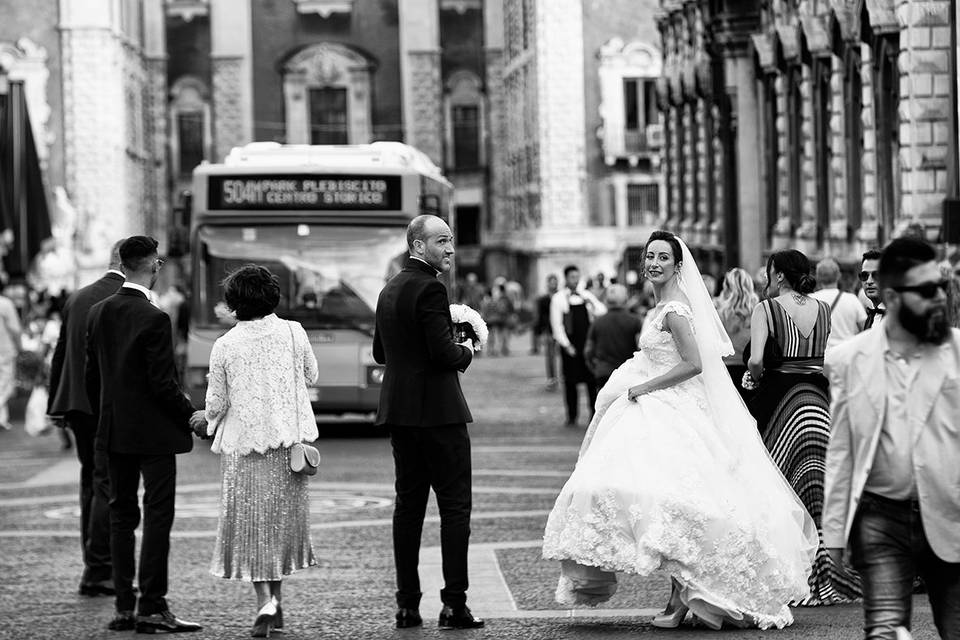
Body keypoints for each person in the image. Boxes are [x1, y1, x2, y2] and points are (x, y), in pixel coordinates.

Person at [543, 230, 819, 630]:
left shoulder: (676, 309)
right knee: (657, 497)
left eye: (662, 258)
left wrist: (643, 386)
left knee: (679, 500)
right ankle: (677, 594)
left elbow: (694, 364)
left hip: (670, 404)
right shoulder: (661, 306)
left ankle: (681, 597)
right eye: (649, 257)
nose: (653, 263)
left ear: (677, 265)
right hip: (653, 403)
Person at [824, 237, 960, 640]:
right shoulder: (849, 359)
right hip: (880, 515)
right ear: (891, 296)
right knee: (884, 630)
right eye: (924, 290)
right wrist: (833, 533)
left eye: (940, 287)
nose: (937, 298)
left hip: (951, 512)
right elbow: (841, 449)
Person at [85, 236, 204, 633]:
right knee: (157, 517)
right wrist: (191, 416)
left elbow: (92, 378)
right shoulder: (153, 318)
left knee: (121, 516)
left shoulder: (98, 311)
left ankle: (123, 606)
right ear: (152, 266)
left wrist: (106, 416)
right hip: (153, 435)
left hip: (114, 430)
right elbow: (162, 383)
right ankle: (151, 605)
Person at [373, 214, 483, 631]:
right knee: (455, 509)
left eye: (452, 240)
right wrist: (468, 347)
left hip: (400, 413)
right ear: (418, 246)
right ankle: (454, 604)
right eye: (442, 241)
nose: (450, 248)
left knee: (408, 508)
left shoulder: (389, 288)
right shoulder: (431, 287)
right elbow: (444, 354)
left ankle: (406, 605)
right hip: (438, 413)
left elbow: (382, 353)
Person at [204, 265, 319, 638]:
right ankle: (279, 606)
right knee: (280, 525)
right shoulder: (293, 331)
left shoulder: (225, 345)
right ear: (273, 297)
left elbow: (216, 404)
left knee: (251, 527)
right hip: (289, 448)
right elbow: (310, 376)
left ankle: (264, 603)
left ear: (234, 303)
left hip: (244, 448)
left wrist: (201, 420)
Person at [746, 249, 861, 605]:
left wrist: (754, 378)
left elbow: (755, 360)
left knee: (781, 488)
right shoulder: (823, 309)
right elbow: (819, 358)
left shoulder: (766, 309)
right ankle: (830, 572)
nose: (767, 279)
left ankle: (794, 571)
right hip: (817, 399)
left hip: (781, 401)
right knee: (818, 489)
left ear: (779, 275)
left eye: (769, 273)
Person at [47, 239, 125, 596]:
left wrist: (56, 404)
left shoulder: (78, 297)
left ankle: (93, 562)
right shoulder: (129, 299)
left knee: (89, 482)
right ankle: (99, 568)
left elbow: (62, 352)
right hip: (107, 406)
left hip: (76, 404)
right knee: (105, 483)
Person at [550, 265, 606, 426]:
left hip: (588, 344)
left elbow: (602, 311)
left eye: (577, 277)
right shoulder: (559, 298)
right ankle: (572, 415)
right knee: (570, 382)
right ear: (566, 278)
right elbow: (557, 325)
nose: (575, 280)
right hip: (570, 345)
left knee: (591, 381)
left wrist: (591, 303)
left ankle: (593, 414)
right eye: (572, 277)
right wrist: (566, 345)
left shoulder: (586, 295)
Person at [583, 284, 642, 389]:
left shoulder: (597, 322)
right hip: (627, 373)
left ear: (606, 301)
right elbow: (640, 348)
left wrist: (595, 368)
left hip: (603, 373)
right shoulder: (635, 321)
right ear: (625, 300)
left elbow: (588, 351)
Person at [715, 267, 759, 400]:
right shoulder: (758, 312)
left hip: (722, 373)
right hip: (748, 374)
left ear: (726, 287)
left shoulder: (716, 312)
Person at [811, 258, 867, 352]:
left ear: (817, 277)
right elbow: (866, 329)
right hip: (847, 354)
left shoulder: (810, 300)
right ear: (839, 276)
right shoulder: (852, 299)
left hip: (821, 356)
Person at [0, 281, 22, 430]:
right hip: (4, 348)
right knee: (6, 384)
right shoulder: (5, 304)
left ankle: (2, 419)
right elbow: (15, 329)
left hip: (4, 349)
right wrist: (20, 347)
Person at [533, 275, 559, 387]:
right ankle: (552, 378)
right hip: (548, 330)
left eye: (555, 282)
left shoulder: (561, 297)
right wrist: (539, 332)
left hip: (560, 329)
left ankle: (561, 376)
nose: (553, 284)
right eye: (551, 282)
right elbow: (540, 316)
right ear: (547, 284)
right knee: (550, 355)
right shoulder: (542, 299)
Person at [860, 250, 885, 329]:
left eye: (876, 275)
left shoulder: (900, 318)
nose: (869, 281)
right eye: (864, 275)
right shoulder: (870, 317)